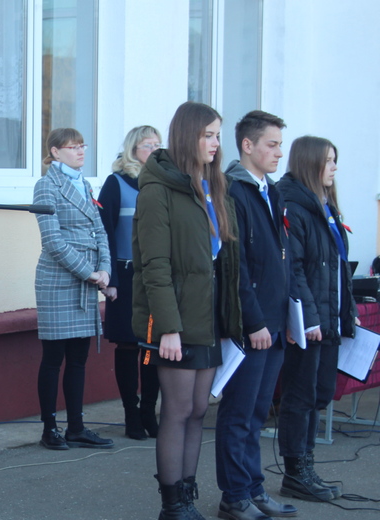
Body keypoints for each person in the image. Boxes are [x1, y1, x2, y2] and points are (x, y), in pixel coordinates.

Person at [131, 101, 241, 519]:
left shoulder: (212, 187)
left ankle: (189, 496)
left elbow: (222, 261)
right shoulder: (158, 189)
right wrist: (168, 330)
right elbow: (153, 266)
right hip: (175, 320)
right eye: (208, 135)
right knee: (176, 411)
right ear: (187, 135)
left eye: (217, 135)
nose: (215, 143)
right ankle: (172, 504)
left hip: (207, 318)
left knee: (198, 410)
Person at [216, 111, 298, 520]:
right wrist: (254, 321)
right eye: (271, 144)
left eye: (281, 144)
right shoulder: (233, 190)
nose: (279, 152)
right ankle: (234, 497)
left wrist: (292, 319)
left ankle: (253, 489)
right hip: (254, 326)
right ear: (247, 145)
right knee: (239, 413)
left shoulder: (270, 190)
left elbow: (282, 258)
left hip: (277, 324)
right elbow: (237, 266)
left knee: (256, 414)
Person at [276, 136, 359, 502]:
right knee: (301, 396)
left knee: (321, 393)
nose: (334, 167)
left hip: (328, 319)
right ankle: (297, 470)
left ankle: (305, 463)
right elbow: (293, 270)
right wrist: (308, 319)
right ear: (310, 162)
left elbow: (338, 268)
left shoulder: (324, 206)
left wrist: (347, 313)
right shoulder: (293, 205)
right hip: (308, 322)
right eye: (329, 160)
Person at [33, 128, 114, 451]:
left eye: (82, 146)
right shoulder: (46, 186)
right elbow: (52, 240)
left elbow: (100, 232)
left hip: (89, 278)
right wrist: (90, 274)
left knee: (79, 358)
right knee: (54, 357)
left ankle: (77, 427)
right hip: (58, 281)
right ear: (55, 152)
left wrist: (106, 269)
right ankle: (49, 427)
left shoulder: (85, 184)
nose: (80, 151)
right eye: (72, 147)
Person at [98, 125, 162, 440]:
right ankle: (131, 414)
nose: (154, 150)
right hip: (125, 277)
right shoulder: (116, 183)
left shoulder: (163, 184)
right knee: (128, 346)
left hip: (157, 278)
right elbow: (104, 233)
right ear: (133, 149)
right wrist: (108, 277)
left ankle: (150, 411)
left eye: (158, 145)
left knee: (154, 348)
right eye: (148, 145)